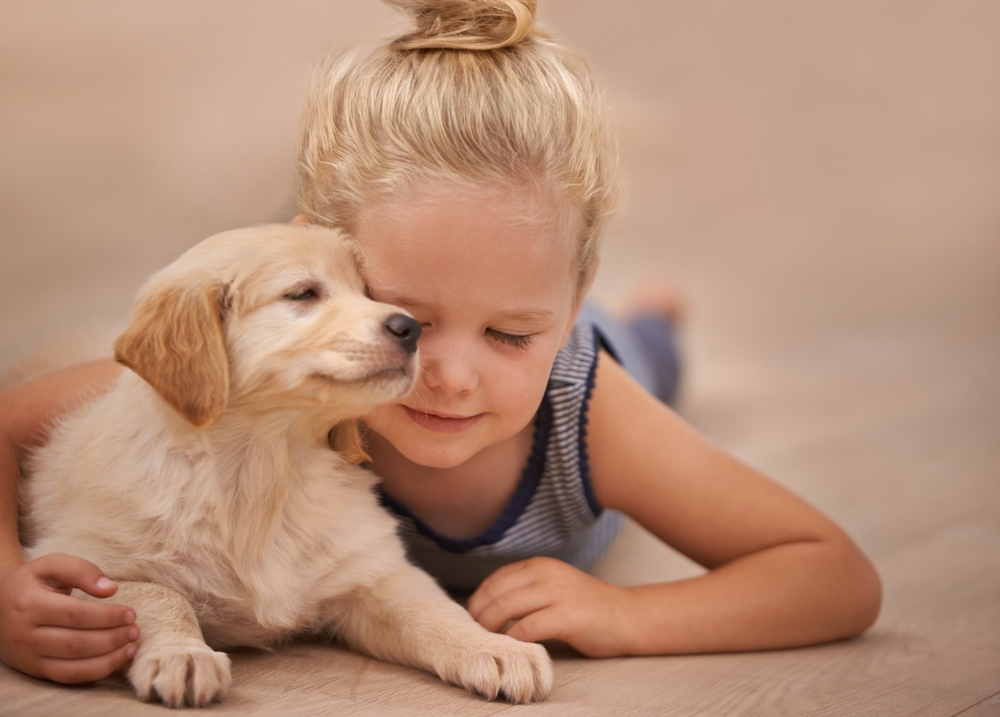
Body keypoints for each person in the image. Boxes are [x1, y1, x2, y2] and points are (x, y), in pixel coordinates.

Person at [0, 0, 881, 686]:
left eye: (507, 331)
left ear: (565, 300)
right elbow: (13, 420)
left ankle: (647, 316)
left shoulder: (589, 410)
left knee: (650, 353)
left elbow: (832, 574)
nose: (448, 375)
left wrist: (625, 614)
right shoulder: (283, 378)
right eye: (407, 317)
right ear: (325, 264)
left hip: (604, 356)